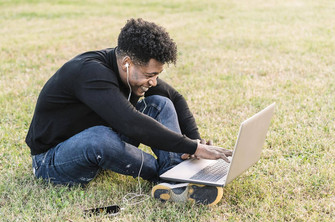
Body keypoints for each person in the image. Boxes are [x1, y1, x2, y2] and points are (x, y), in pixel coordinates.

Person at [26, 18, 232, 205]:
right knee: (101, 137)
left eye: (157, 75)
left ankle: (177, 174)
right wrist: (192, 147)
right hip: (51, 161)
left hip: (96, 147)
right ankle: (167, 178)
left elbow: (174, 97)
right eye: (149, 74)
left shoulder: (127, 66)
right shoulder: (89, 73)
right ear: (127, 63)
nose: (153, 81)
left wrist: (197, 142)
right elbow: (131, 123)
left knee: (159, 102)